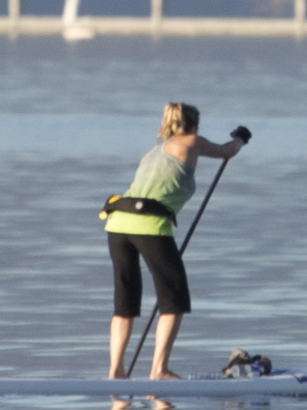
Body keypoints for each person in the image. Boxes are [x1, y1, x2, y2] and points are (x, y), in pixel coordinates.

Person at [101, 99, 252, 379]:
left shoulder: (151, 152)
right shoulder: (191, 142)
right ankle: (159, 370)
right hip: (149, 226)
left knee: (126, 303)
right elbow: (227, 152)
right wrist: (240, 138)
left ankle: (116, 372)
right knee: (174, 300)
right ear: (193, 125)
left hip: (117, 224)